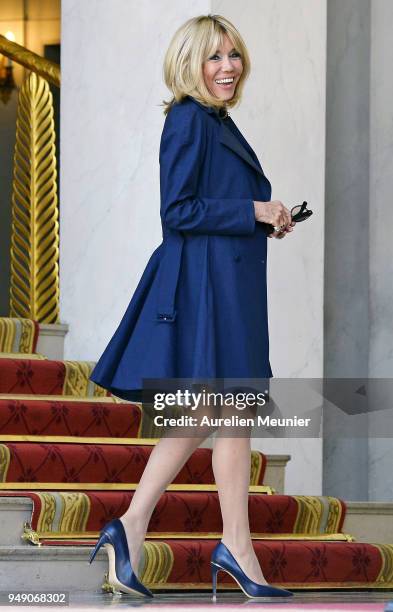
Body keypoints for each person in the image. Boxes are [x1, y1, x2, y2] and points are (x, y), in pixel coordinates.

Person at [89, 14, 295, 599]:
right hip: (206, 288)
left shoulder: (213, 120)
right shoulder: (188, 119)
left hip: (226, 285)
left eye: (233, 55)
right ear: (190, 65)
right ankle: (215, 542)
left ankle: (188, 535)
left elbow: (213, 204)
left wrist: (266, 217)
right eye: (214, 57)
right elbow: (177, 211)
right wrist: (254, 211)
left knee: (223, 411)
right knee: (218, 409)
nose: (228, 67)